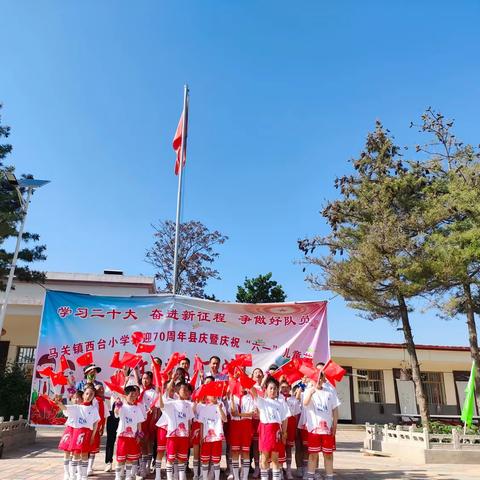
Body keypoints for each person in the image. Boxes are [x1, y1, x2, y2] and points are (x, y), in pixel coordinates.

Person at [55, 384, 100, 480]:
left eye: (91, 394)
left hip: (87, 433)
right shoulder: (77, 407)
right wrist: (59, 402)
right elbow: (65, 408)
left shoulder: (94, 409)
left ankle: (83, 476)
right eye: (87, 394)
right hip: (77, 433)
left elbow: (96, 423)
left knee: (84, 455)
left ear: (93, 397)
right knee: (75, 454)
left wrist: (92, 436)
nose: (89, 396)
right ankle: (72, 475)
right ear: (83, 395)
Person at [303, 372, 340, 480]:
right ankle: (310, 476)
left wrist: (335, 425)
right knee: (313, 455)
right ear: (312, 379)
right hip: (314, 430)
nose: (318, 380)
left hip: (327, 430)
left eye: (320, 378)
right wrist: (310, 392)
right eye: (315, 378)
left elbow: (335, 409)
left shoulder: (330, 392)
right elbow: (305, 403)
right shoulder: (308, 390)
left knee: (328, 455)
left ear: (324, 379)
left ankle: (329, 477)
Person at [250, 377, 289, 480]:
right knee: (264, 458)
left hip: (276, 431)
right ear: (266, 389)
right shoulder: (262, 401)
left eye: (275, 388)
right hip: (265, 431)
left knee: (275, 458)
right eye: (271, 388)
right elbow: (253, 390)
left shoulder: (281, 403)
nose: (273, 391)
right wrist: (244, 377)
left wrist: (284, 433)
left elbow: (285, 419)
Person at [157, 379, 194, 480]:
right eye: (184, 390)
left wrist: (189, 434)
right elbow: (161, 406)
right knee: (170, 458)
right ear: (177, 392)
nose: (186, 392)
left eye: (187, 390)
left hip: (184, 436)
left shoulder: (188, 405)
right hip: (173, 436)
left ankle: (181, 478)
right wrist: (160, 394)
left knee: (182, 459)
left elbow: (189, 421)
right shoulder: (171, 403)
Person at [114, 384, 146, 480]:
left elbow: (139, 423)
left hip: (132, 437)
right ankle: (118, 476)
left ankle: (128, 476)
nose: (133, 397)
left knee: (130, 458)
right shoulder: (122, 407)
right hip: (122, 437)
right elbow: (116, 413)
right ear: (125, 395)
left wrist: (139, 435)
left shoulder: (137, 408)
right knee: (120, 458)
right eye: (131, 395)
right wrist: (117, 405)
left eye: (135, 395)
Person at [195, 391, 227, 480]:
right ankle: (204, 478)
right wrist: (201, 437)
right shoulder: (204, 408)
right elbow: (201, 423)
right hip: (206, 438)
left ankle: (216, 478)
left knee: (216, 460)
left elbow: (225, 419)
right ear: (207, 397)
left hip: (217, 438)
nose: (214, 395)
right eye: (211, 394)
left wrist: (219, 409)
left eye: (215, 394)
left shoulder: (221, 405)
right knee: (205, 460)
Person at [229, 386, 255, 480]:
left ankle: (244, 477)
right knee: (235, 451)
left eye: (244, 385)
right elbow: (232, 412)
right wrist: (231, 399)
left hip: (246, 424)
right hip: (235, 425)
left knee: (245, 451)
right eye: (240, 385)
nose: (242, 387)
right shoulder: (233, 396)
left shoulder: (250, 396)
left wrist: (239, 415)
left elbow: (252, 413)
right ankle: (236, 477)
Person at [57, 390, 83, 480]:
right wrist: (59, 402)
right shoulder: (72, 407)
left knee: (76, 453)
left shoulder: (84, 408)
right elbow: (64, 408)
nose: (76, 400)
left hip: (79, 432)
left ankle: (74, 474)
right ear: (71, 399)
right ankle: (66, 473)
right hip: (69, 430)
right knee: (66, 452)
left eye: (78, 398)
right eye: (74, 398)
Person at [138, 371, 158, 478]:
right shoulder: (138, 389)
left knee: (148, 442)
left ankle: (147, 466)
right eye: (143, 378)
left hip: (149, 420)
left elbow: (155, 408)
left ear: (151, 380)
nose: (145, 380)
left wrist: (153, 421)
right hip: (139, 420)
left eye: (147, 378)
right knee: (141, 443)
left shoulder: (153, 392)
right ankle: (142, 465)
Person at [88, 384, 109, 475]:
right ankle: (81, 465)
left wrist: (102, 427)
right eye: (99, 388)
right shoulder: (90, 400)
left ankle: (89, 467)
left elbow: (105, 416)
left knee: (93, 448)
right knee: (84, 447)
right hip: (86, 427)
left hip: (96, 428)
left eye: (102, 388)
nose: (101, 390)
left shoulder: (103, 403)